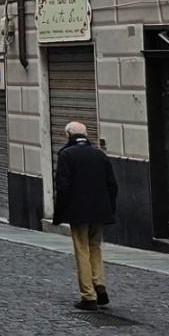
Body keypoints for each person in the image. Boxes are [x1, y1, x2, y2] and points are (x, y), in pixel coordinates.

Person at [52, 121, 118, 311]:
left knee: (82, 250)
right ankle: (100, 285)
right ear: (86, 135)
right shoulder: (99, 155)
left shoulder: (66, 155)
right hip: (100, 211)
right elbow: (112, 186)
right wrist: (109, 210)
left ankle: (88, 296)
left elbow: (63, 187)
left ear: (67, 135)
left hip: (78, 212)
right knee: (95, 247)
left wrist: (60, 213)